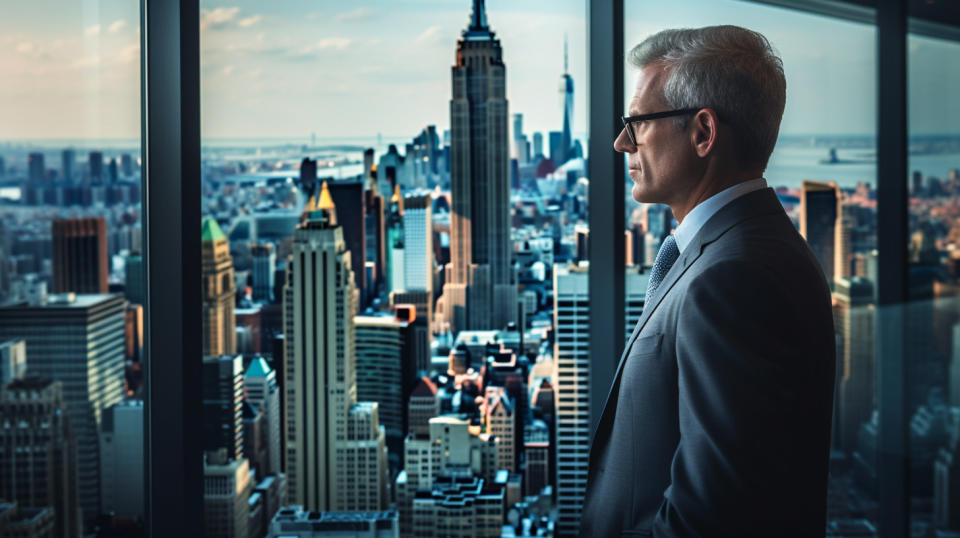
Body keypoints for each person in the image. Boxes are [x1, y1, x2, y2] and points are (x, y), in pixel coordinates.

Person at [579, 25, 836, 537]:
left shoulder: (733, 278)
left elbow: (713, 515)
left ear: (703, 133)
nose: (620, 141)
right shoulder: (745, 247)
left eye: (637, 122)